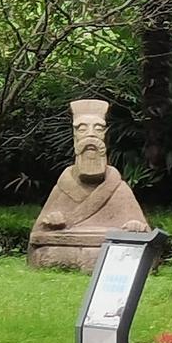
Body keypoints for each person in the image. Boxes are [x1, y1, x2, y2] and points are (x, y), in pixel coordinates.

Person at [27, 99, 150, 270]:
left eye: (98, 129)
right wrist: (50, 222)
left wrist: (135, 226)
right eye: (82, 129)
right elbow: (36, 237)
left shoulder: (119, 188)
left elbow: (144, 234)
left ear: (105, 136)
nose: (90, 135)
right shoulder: (63, 186)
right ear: (74, 135)